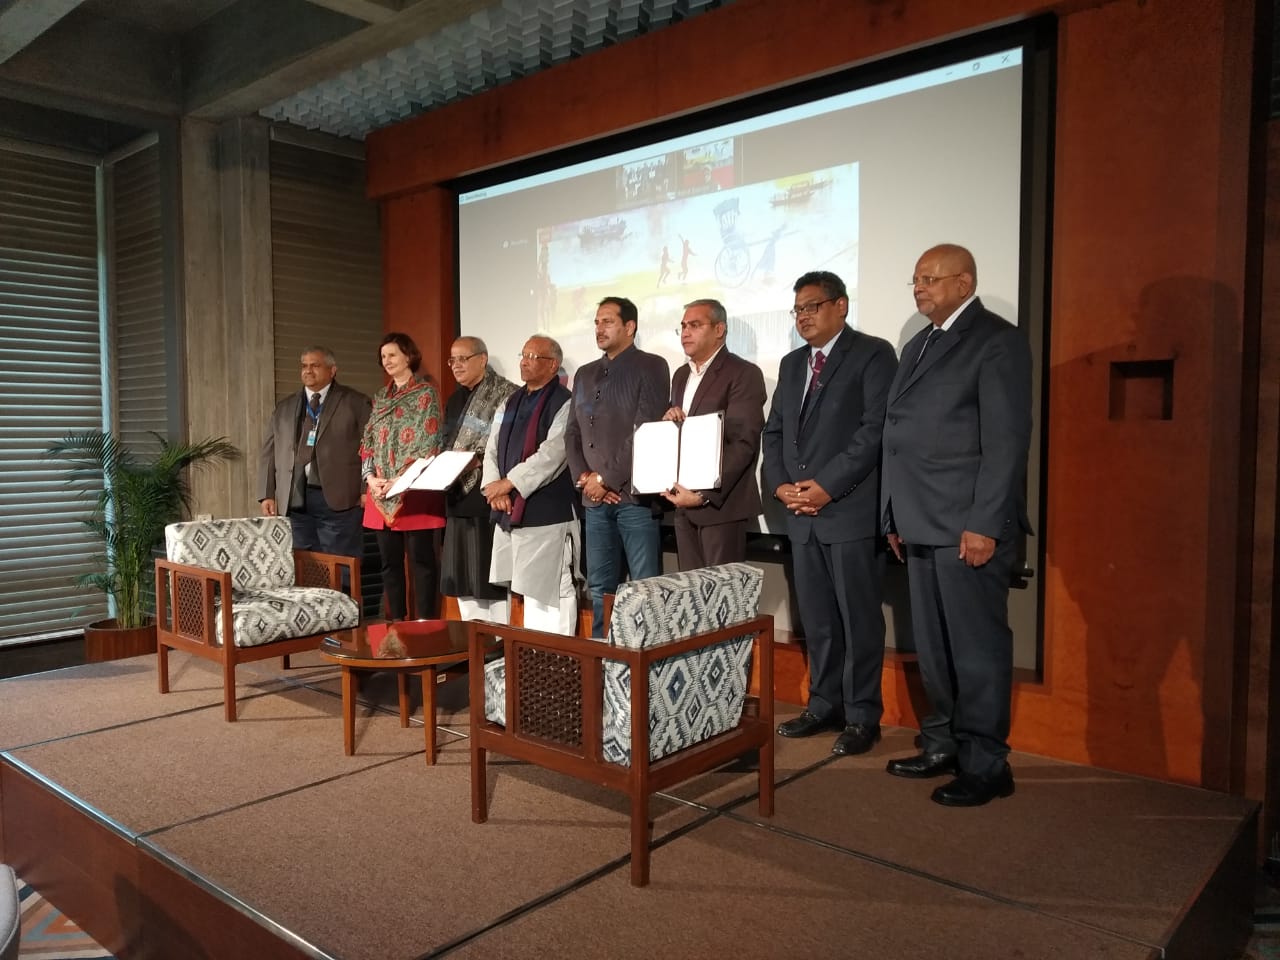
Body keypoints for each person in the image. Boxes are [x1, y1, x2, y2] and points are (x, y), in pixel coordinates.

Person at [881, 243, 1032, 807]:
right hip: (918, 523)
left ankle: (988, 764)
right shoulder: (920, 343)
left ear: (964, 283)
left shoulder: (997, 341)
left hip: (967, 526)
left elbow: (1005, 442)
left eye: (930, 278)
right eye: (915, 278)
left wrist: (986, 524)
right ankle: (943, 743)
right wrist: (891, 513)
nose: (918, 287)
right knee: (937, 650)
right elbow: (897, 437)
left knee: (976, 650)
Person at [762, 270, 897, 757]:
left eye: (812, 306)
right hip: (799, 515)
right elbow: (774, 432)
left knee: (858, 618)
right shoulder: (793, 363)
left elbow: (873, 430)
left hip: (848, 511)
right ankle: (824, 705)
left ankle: (862, 716)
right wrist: (779, 486)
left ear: (841, 306)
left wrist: (827, 488)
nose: (803, 317)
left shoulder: (873, 353)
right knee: (816, 618)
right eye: (797, 309)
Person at [565, 296, 670, 636]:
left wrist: (607, 478)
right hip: (594, 501)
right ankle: (603, 663)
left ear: (630, 326)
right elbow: (573, 431)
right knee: (600, 588)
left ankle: (646, 665)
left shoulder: (650, 365)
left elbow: (646, 428)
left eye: (607, 321)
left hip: (634, 499)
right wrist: (585, 478)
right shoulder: (584, 373)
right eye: (596, 322)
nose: (599, 328)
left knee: (643, 588)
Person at [481, 335, 581, 633]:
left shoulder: (564, 402)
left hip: (547, 510)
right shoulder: (510, 400)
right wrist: (492, 488)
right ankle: (532, 657)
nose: (524, 361)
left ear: (553, 364)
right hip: (508, 507)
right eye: (523, 354)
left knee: (552, 588)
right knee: (523, 588)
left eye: (533, 356)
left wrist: (509, 483)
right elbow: (492, 447)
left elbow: (553, 454)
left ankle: (561, 660)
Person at [660, 299, 766, 568]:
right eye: (683, 326)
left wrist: (704, 495)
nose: (685, 332)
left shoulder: (743, 373)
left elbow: (743, 442)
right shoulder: (681, 375)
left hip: (721, 507)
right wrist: (669, 422)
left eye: (694, 325)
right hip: (683, 505)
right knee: (693, 600)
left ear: (719, 329)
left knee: (722, 602)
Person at [360, 333, 446, 621]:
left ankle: (424, 627)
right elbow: (368, 441)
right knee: (388, 564)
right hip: (380, 493)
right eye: (383, 357)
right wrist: (371, 478)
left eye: (393, 355)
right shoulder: (381, 397)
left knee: (421, 564)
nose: (387, 361)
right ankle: (394, 626)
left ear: (408, 356)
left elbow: (430, 442)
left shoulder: (426, 393)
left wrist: (401, 479)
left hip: (414, 491)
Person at [259, 346, 372, 559]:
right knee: (304, 565)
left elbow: (371, 447)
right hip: (295, 497)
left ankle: (341, 594)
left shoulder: (355, 402)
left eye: (315, 365)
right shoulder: (285, 407)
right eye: (304, 366)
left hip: (341, 499)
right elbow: (269, 451)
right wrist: (266, 493)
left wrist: (366, 488)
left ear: (333, 370)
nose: (308, 371)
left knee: (341, 565)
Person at [440, 336, 517, 622]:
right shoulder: (455, 398)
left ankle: (497, 644)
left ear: (482, 359)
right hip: (456, 494)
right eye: (452, 360)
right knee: (462, 578)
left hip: (488, 496)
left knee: (490, 577)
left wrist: (477, 459)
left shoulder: (506, 394)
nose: (456, 366)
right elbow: (447, 442)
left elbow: (509, 445)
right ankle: (471, 643)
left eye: (463, 359)